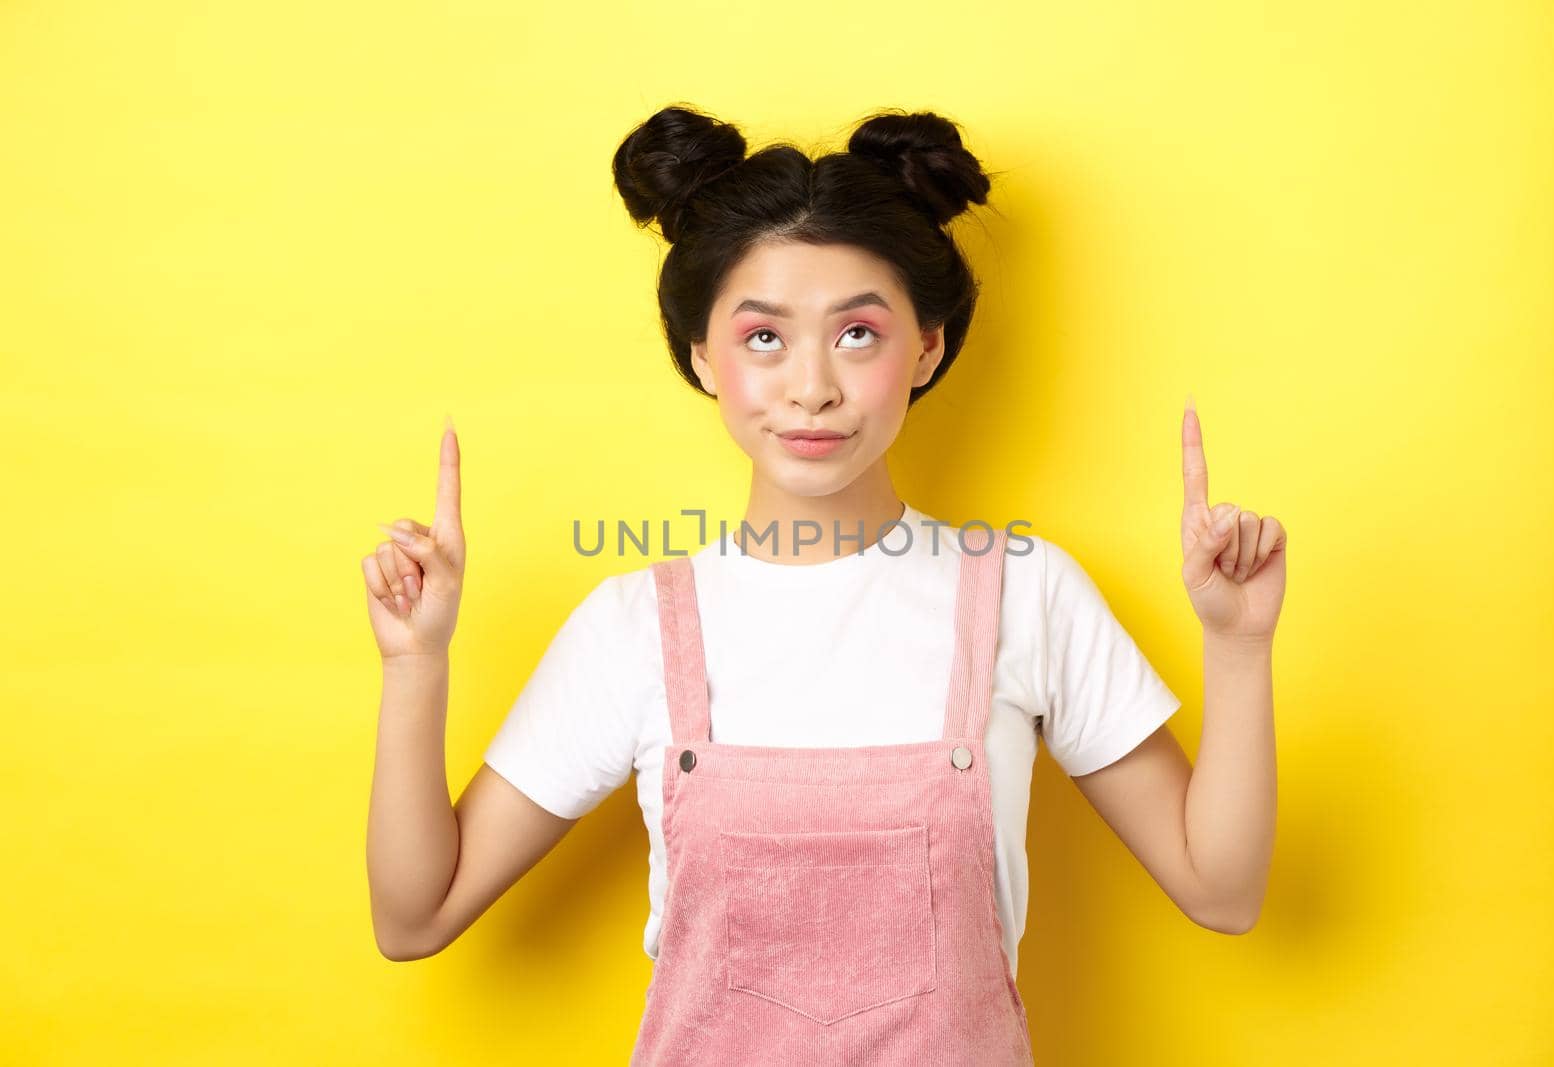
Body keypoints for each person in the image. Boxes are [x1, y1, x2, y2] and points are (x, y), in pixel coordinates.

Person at [362, 105, 1285, 1065]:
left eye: (857, 334)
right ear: (700, 357)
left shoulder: (1025, 591)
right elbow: (414, 916)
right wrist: (416, 661)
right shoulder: (635, 625)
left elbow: (1220, 891)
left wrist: (1241, 642)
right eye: (764, 338)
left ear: (926, 347)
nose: (812, 386)